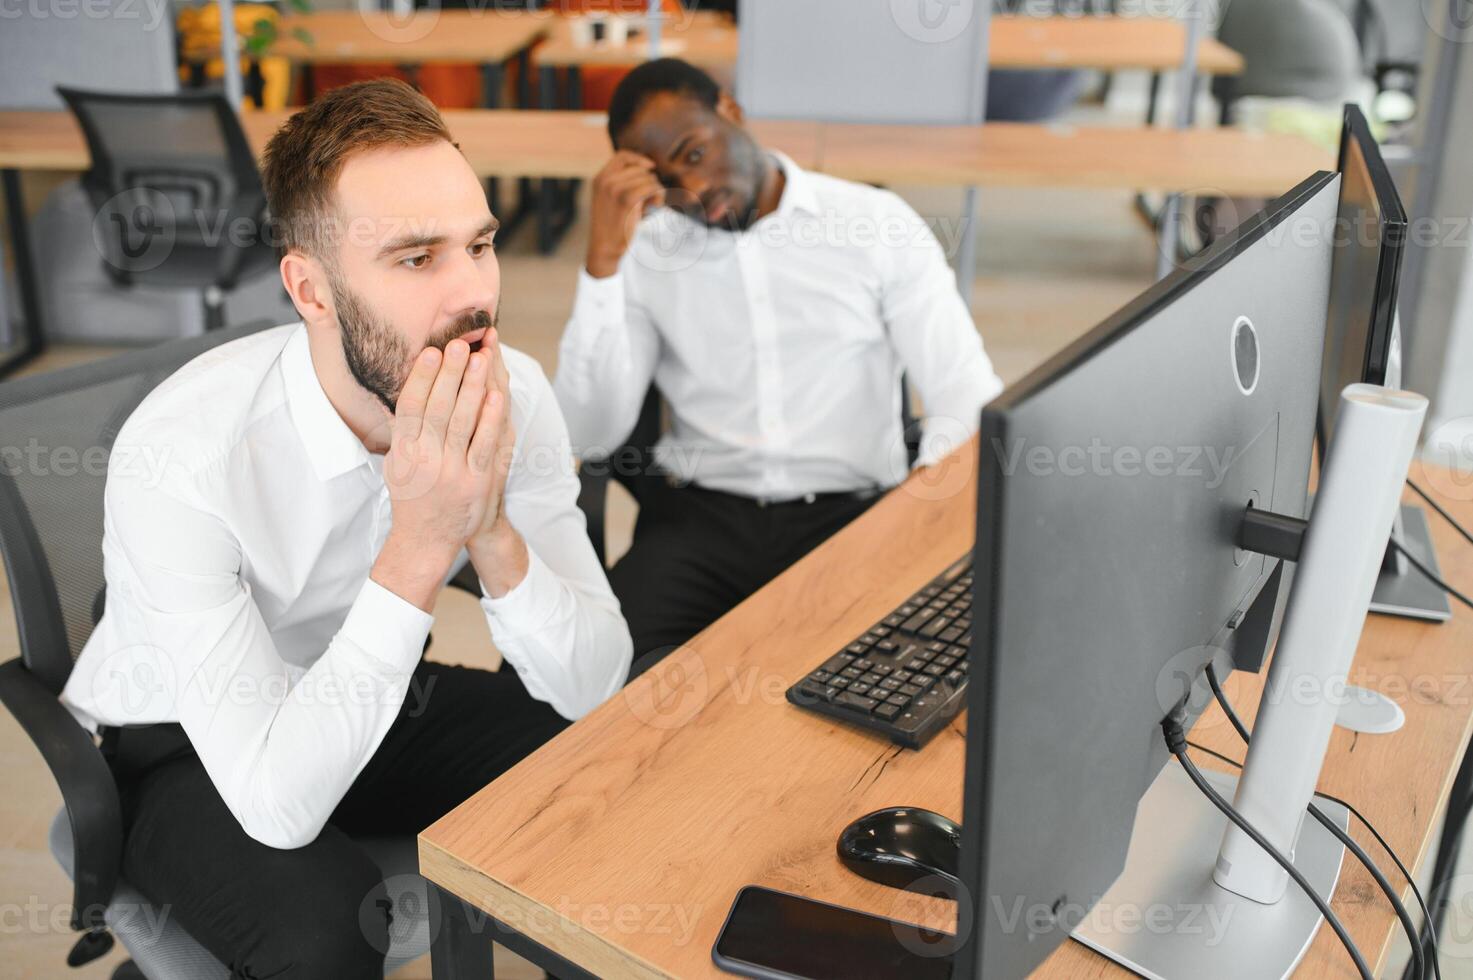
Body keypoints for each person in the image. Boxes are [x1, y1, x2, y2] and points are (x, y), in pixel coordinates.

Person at [59, 79, 632, 977]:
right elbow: (277, 805)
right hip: (190, 735)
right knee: (328, 930)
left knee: (604, 767)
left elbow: (598, 687)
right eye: (415, 259)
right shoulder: (183, 450)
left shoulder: (509, 386)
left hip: (366, 680)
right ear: (312, 290)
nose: (472, 295)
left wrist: (488, 532)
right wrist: (416, 542)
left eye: (479, 245)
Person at [553, 58, 1003, 662]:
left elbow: (965, 392)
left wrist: (915, 517)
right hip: (701, 522)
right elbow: (588, 431)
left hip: (853, 518)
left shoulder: (873, 224)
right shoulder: (646, 253)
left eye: (692, 154)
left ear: (730, 111)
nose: (690, 190)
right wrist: (602, 268)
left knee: (901, 682)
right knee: (603, 681)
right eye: (664, 180)